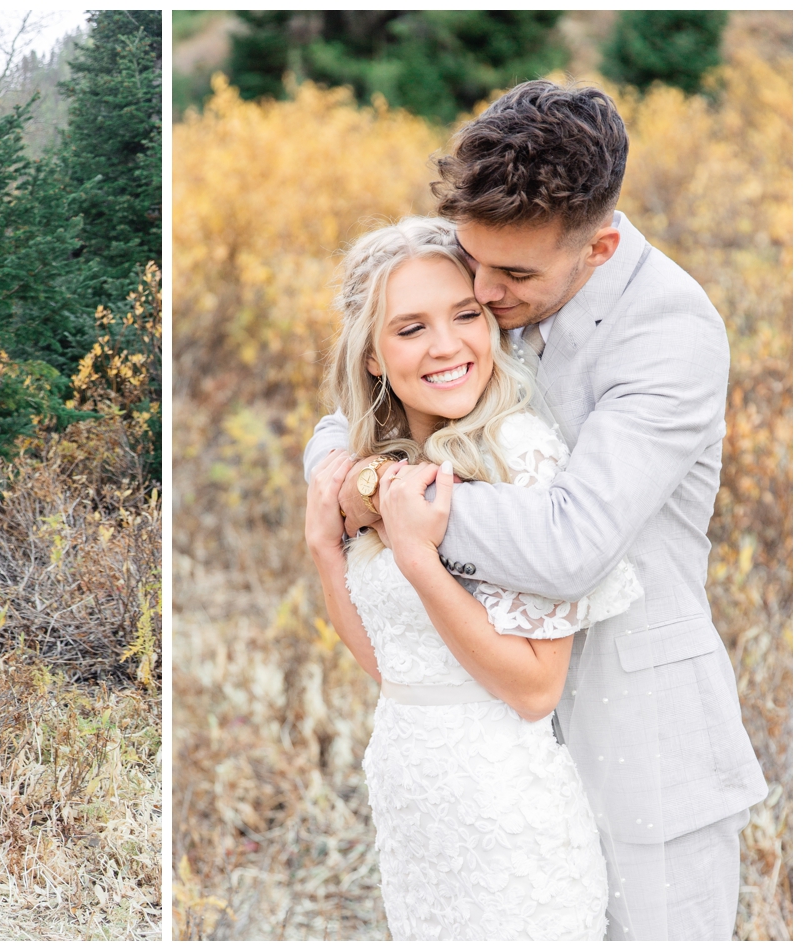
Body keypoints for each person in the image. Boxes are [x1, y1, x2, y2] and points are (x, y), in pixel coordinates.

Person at [305, 81, 766, 940]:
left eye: (509, 277)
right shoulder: (499, 262)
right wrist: (340, 469)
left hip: (643, 754)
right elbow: (366, 379)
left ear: (599, 247)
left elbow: (569, 544)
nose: (485, 291)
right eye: (474, 264)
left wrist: (398, 502)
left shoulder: (671, 333)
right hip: (501, 763)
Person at [307, 216, 630, 939]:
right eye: (412, 327)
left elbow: (534, 688)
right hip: (414, 812)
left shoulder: (523, 457)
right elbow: (395, 672)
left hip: (508, 826)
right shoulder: (381, 464)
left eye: (465, 315)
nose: (447, 344)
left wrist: (420, 561)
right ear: (372, 357)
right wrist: (326, 548)